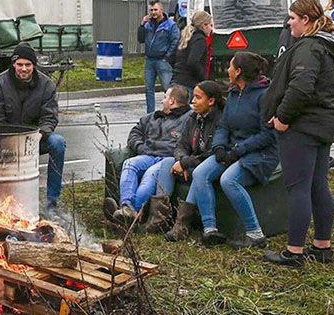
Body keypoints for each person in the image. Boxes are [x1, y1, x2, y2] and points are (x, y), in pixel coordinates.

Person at [261, 0, 334, 267]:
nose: (289, 24)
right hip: (324, 122)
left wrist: (283, 118)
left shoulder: (308, 47)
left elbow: (301, 87)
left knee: (298, 187)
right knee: (318, 185)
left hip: (303, 125)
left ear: (305, 20)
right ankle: (322, 246)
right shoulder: (329, 46)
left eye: (292, 18)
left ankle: (294, 251)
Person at [178, 52, 278, 248]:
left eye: (231, 66)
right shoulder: (233, 93)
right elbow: (224, 126)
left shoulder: (264, 95)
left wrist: (237, 151)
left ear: (238, 71)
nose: (227, 70)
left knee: (228, 180)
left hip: (260, 153)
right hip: (232, 150)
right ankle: (210, 230)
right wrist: (219, 148)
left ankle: (255, 233)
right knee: (200, 173)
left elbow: (267, 135)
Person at [0, 42, 66, 219]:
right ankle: (6, 202)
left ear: (34, 66)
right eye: (20, 64)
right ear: (13, 64)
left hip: (36, 138)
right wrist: (12, 140)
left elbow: (50, 116)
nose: (24, 69)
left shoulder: (47, 85)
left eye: (28, 65)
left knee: (58, 143)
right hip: (7, 141)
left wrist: (41, 134)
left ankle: (52, 203)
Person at [112, 85, 191, 231]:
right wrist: (141, 148)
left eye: (165, 97)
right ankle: (126, 206)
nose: (163, 101)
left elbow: (185, 145)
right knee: (130, 163)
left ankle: (133, 215)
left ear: (172, 101)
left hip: (167, 159)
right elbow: (135, 133)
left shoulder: (188, 119)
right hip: (147, 155)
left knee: (150, 175)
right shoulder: (153, 116)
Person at [162, 80, 227, 242]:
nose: (193, 102)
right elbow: (180, 145)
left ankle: (182, 226)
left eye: (198, 98)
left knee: (199, 174)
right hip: (191, 162)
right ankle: (159, 219)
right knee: (165, 164)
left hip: (210, 165)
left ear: (211, 101)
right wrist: (182, 160)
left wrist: (185, 163)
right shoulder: (193, 118)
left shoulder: (220, 120)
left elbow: (212, 152)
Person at [137, 0, 180, 113]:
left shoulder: (171, 25)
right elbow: (140, 39)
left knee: (167, 89)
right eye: (151, 10)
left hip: (163, 60)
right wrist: (142, 25)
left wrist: (167, 57)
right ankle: (150, 113)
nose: (153, 12)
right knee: (148, 89)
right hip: (150, 60)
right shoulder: (148, 24)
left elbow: (175, 41)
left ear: (161, 10)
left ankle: (171, 111)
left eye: (155, 9)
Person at [171, 10, 213, 92]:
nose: (211, 29)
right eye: (210, 25)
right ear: (204, 25)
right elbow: (193, 61)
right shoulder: (200, 39)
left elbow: (172, 57)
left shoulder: (185, 37)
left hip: (176, 80)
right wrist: (202, 77)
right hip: (189, 83)